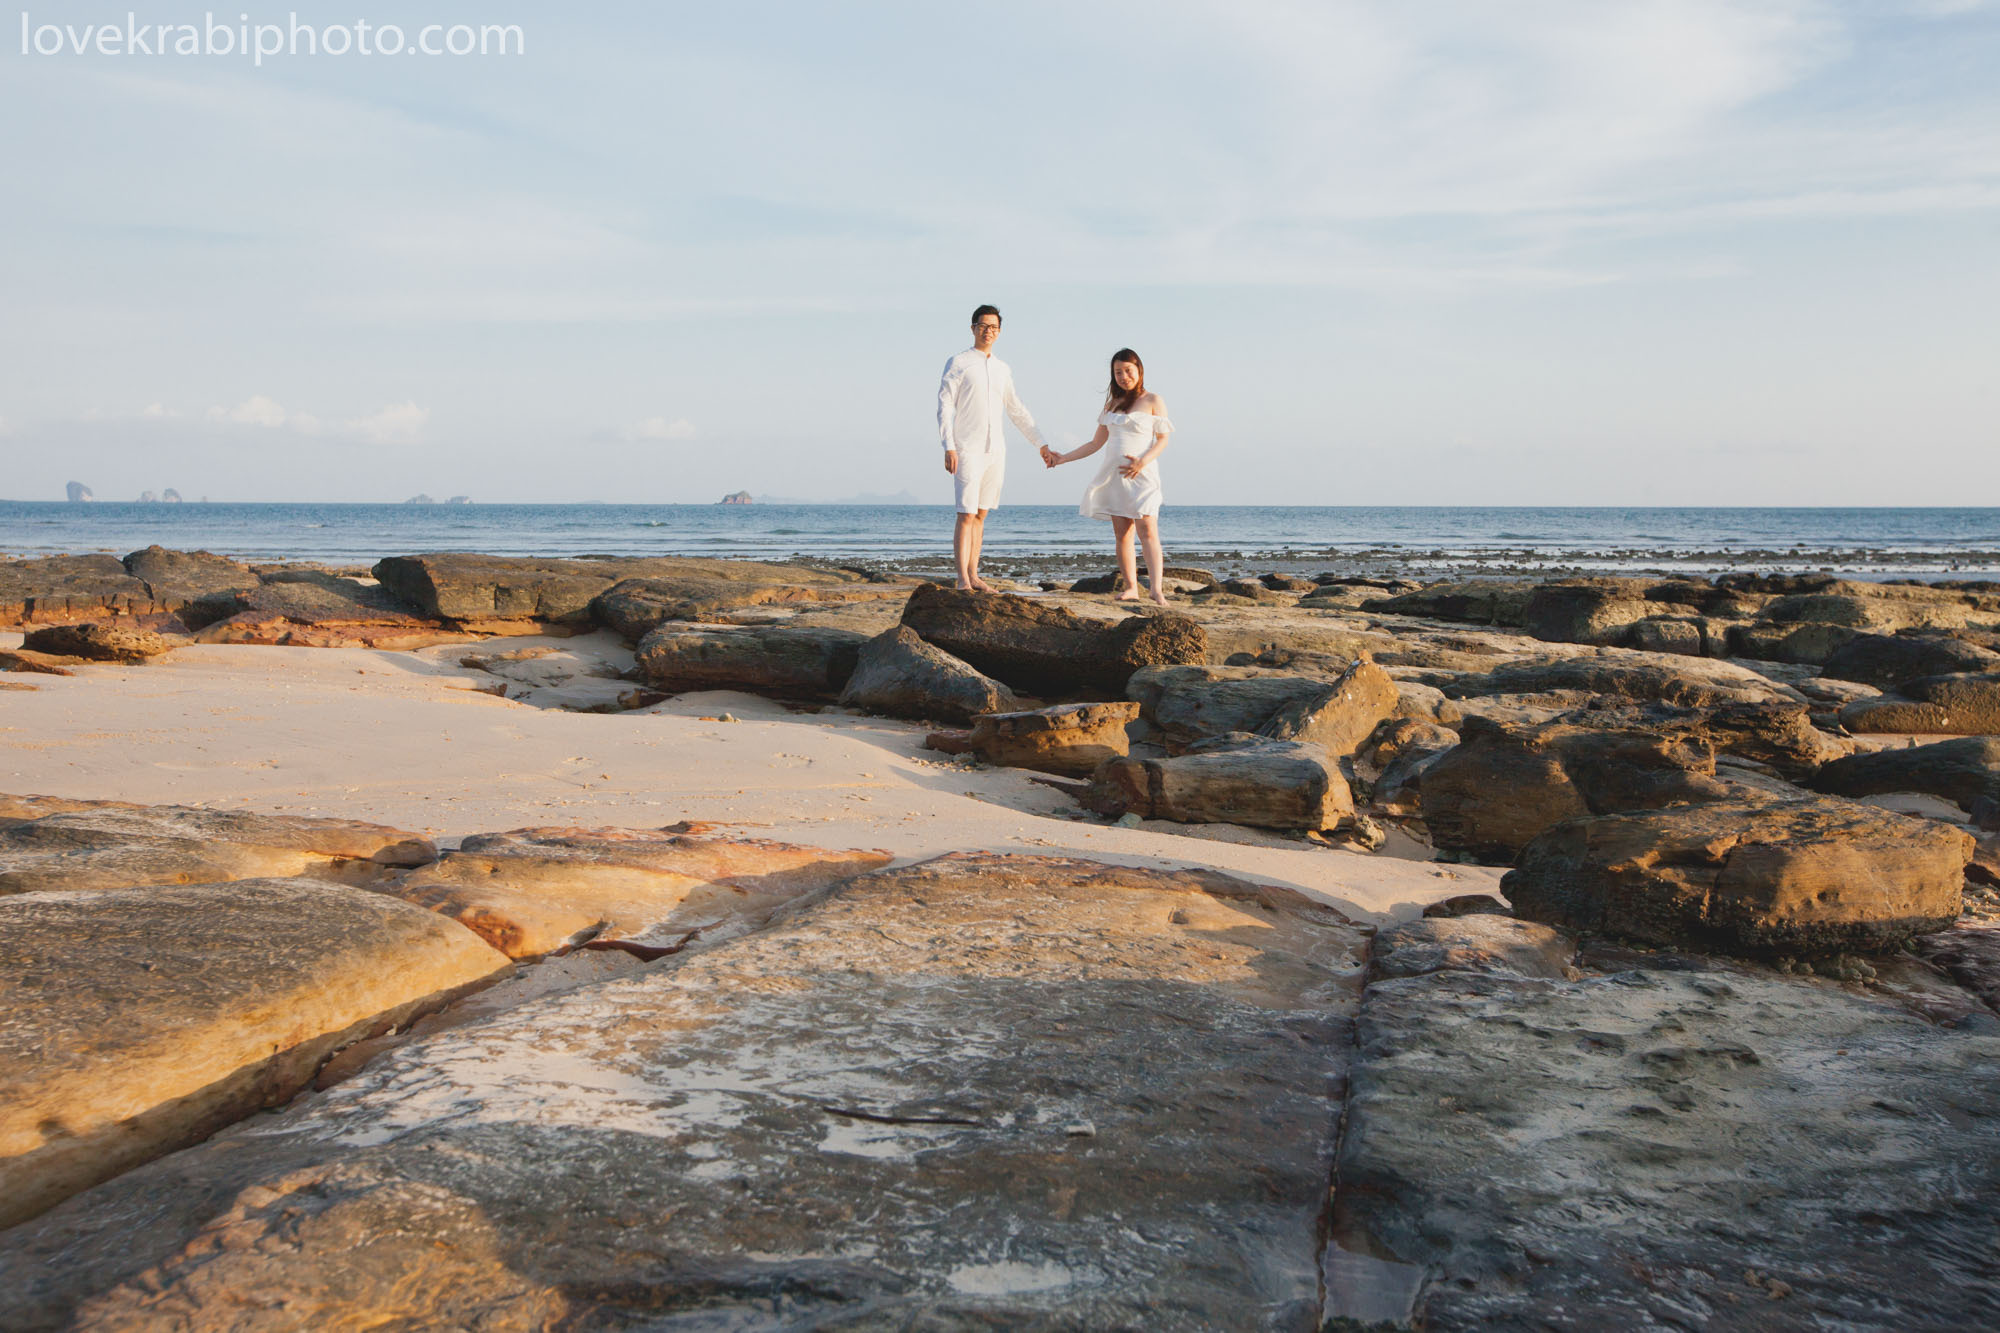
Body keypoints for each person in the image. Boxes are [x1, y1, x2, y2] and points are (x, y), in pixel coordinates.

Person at [1041, 348, 1173, 607]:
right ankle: (1131, 587)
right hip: (1115, 477)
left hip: (1142, 474)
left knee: (1148, 531)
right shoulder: (1111, 404)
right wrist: (1062, 458)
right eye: (1118, 372)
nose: (1124, 376)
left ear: (1139, 371)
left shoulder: (1153, 400)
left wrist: (1143, 462)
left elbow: (1163, 439)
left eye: (1128, 371)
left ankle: (1156, 590)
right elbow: (1095, 443)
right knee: (1123, 534)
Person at [936, 304, 1054, 592]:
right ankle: (962, 579)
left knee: (981, 513)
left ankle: (974, 574)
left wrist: (1040, 443)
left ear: (1000, 332)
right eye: (983, 326)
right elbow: (945, 405)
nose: (988, 331)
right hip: (967, 448)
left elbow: (1016, 409)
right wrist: (949, 445)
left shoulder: (1003, 369)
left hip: (995, 450)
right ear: (973, 327)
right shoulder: (959, 361)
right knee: (965, 513)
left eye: (994, 327)